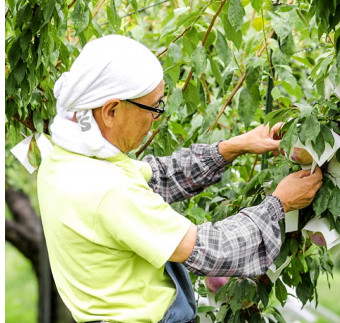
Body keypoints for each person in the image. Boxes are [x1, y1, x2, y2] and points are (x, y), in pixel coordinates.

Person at [37, 34, 323, 323]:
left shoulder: (64, 159)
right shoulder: (110, 192)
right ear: (111, 110)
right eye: (153, 108)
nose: (155, 119)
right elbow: (212, 251)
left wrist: (233, 146)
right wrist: (279, 204)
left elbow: (158, 177)